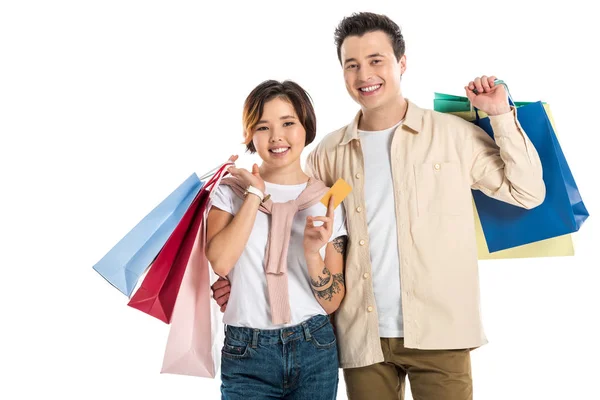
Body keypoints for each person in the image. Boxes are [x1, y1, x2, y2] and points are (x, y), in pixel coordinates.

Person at [212, 12, 545, 400]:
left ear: (401, 63)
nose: (364, 74)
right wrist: (243, 283)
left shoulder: (451, 136)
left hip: (441, 331)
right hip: (361, 337)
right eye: (351, 65)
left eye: (376, 61)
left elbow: (527, 193)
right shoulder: (327, 154)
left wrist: (500, 114)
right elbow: (293, 223)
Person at [206, 79, 348, 400]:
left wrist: (312, 252)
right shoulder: (229, 192)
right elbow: (221, 261)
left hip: (315, 346)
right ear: (250, 135)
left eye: (288, 123)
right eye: (263, 127)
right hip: (247, 352)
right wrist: (255, 194)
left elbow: (331, 301)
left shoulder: (327, 199)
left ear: (306, 127)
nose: (277, 137)